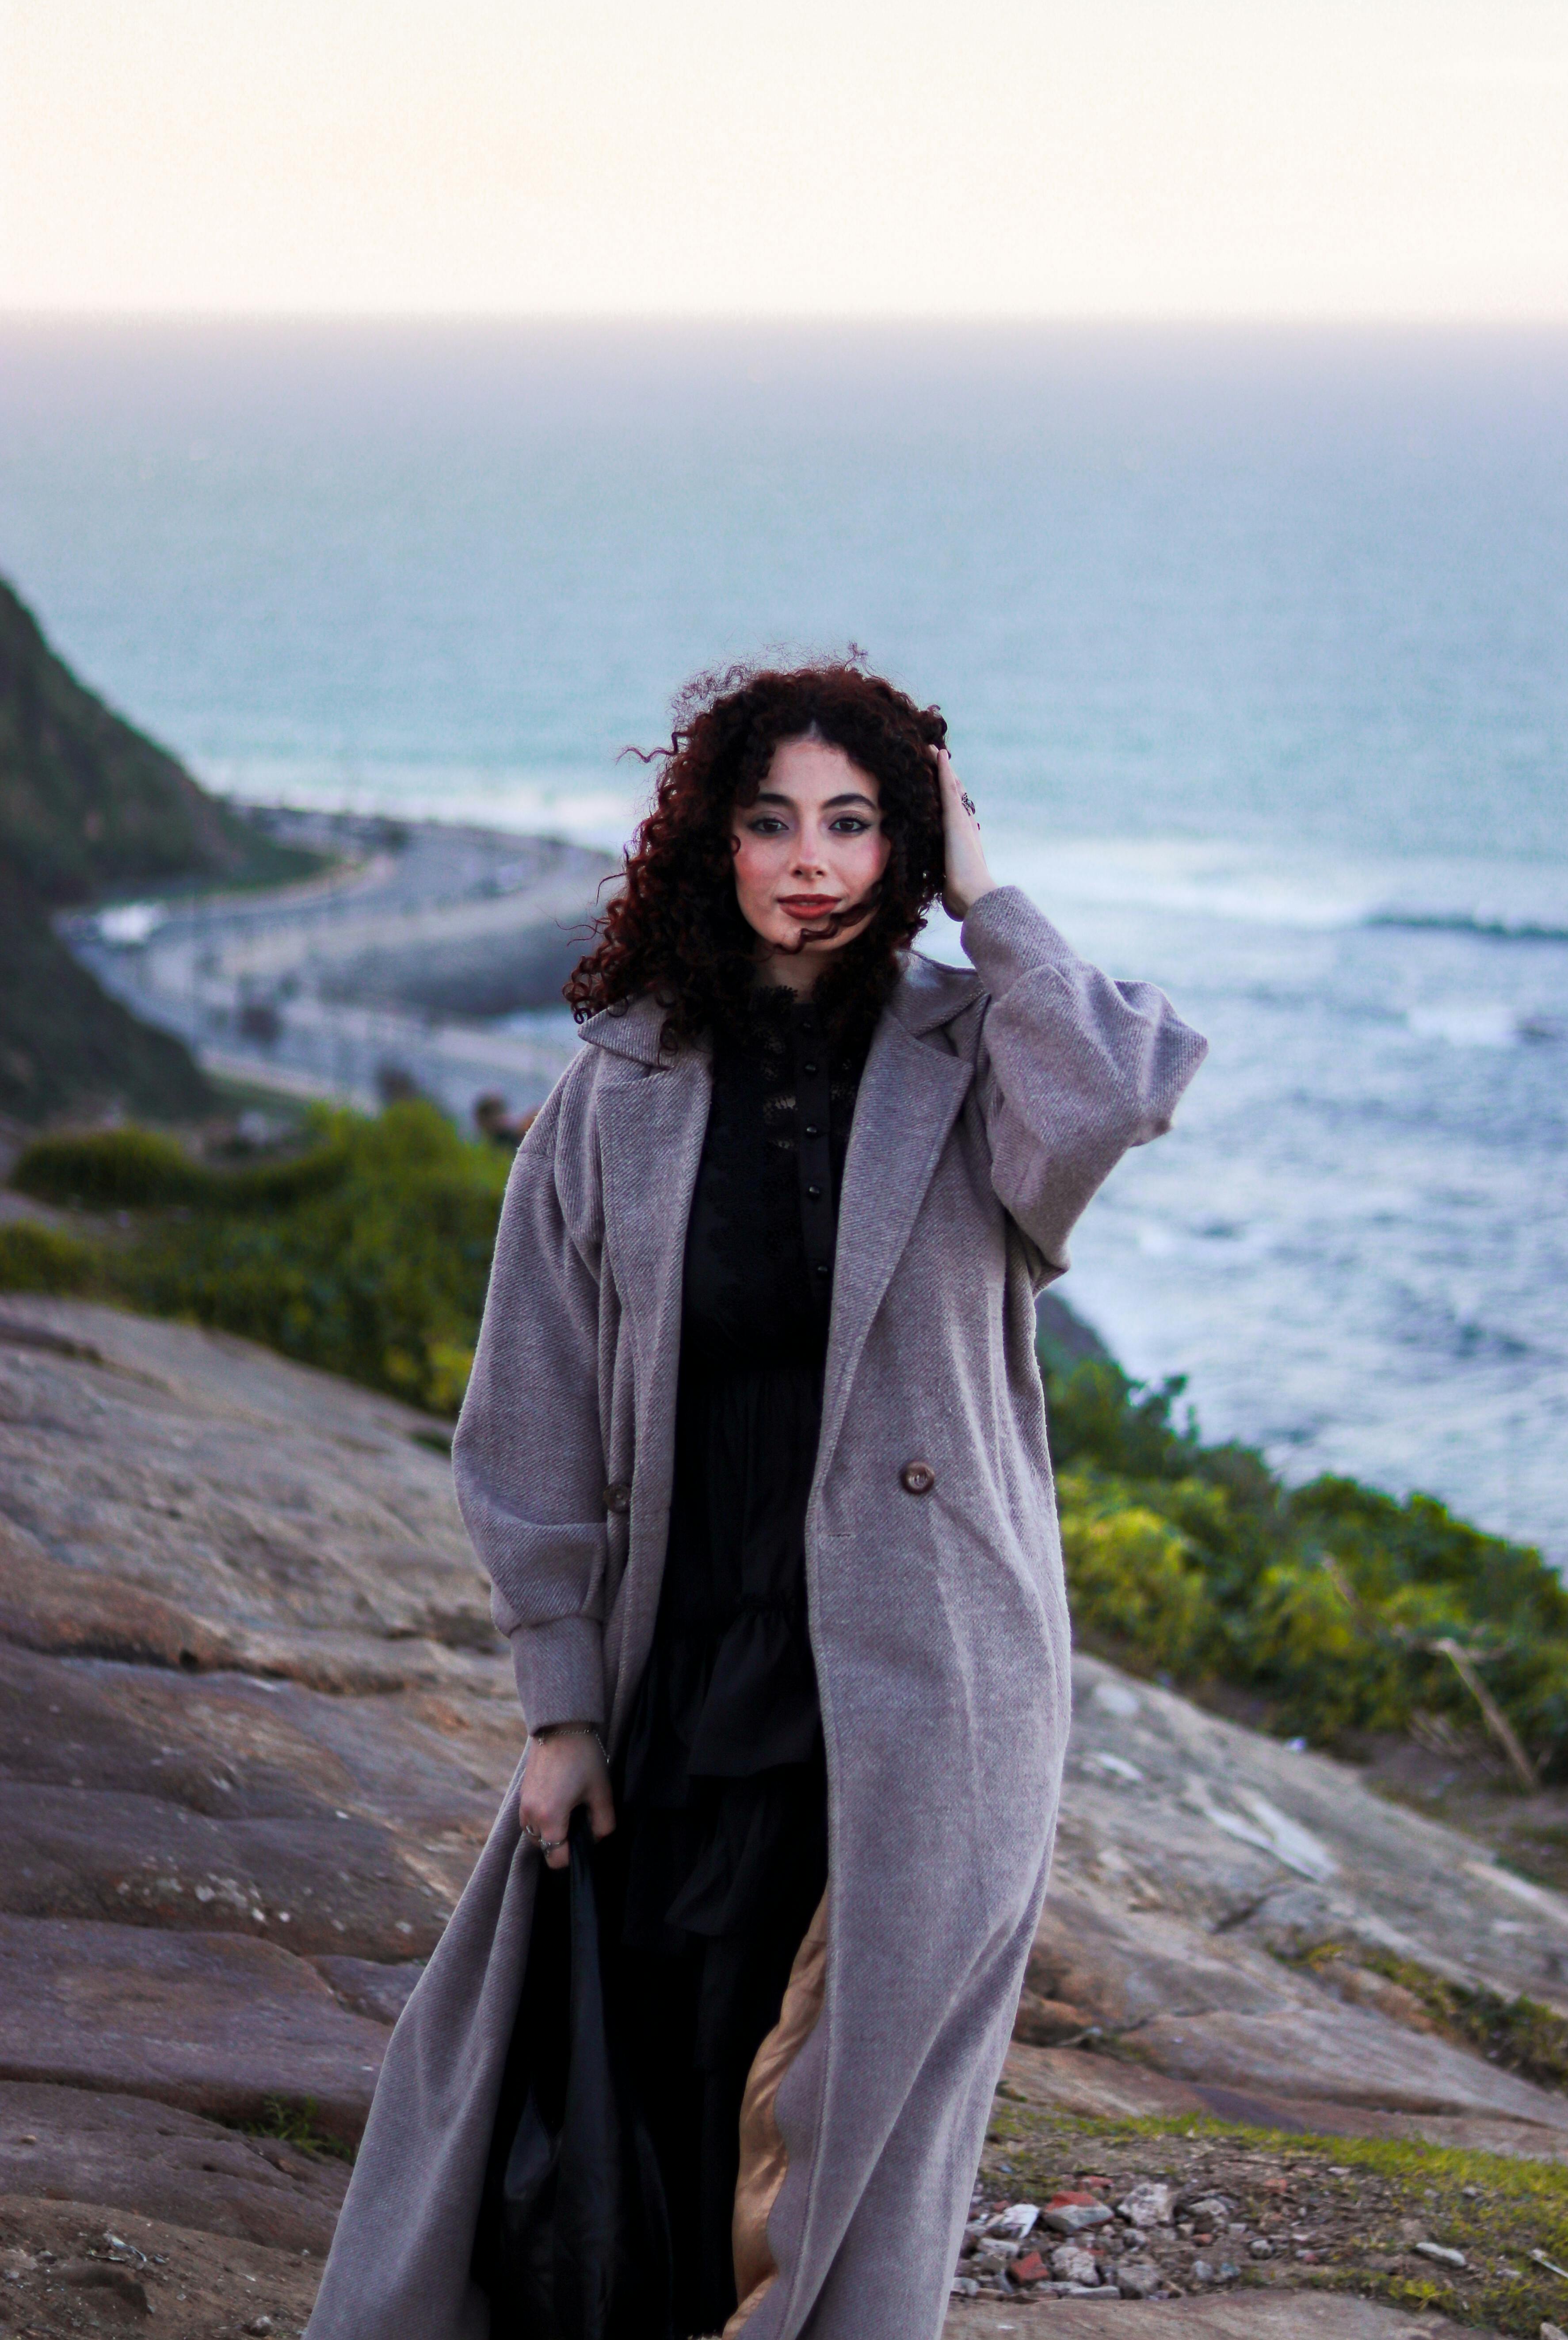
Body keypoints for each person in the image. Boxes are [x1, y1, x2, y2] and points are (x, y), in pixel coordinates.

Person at [304, 660, 1206, 2340]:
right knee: (656, 2045)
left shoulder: (980, 1063)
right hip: (686, 1656)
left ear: (908, 846)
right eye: (772, 820)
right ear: (710, 843)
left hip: (925, 1670)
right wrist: (557, 1706)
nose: (811, 858)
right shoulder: (618, 1095)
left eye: (857, 824)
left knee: (842, 2096)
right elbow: (529, 1422)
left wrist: (991, 893)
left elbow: (1120, 1089)